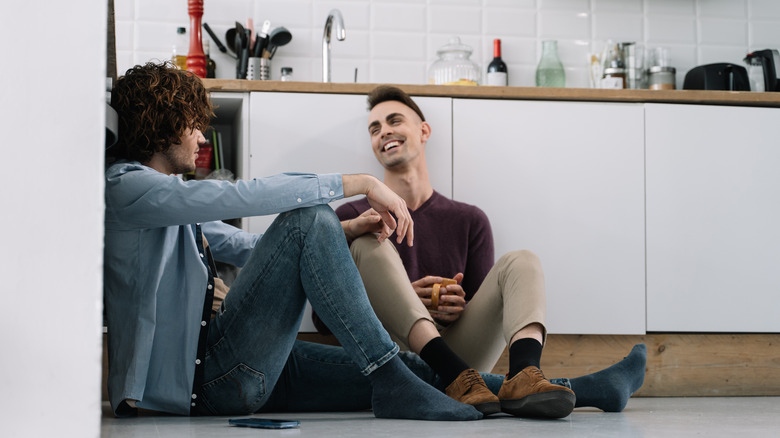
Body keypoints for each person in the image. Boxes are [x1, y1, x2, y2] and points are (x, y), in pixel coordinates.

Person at [103, 62, 483, 421]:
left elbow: (249, 247)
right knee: (310, 216)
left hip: (228, 364)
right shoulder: (128, 188)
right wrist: (362, 183)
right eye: (193, 125)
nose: (202, 137)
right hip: (200, 384)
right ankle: (389, 379)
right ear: (167, 125)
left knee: (415, 369)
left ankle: (521, 390)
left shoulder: (164, 199)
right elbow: (241, 196)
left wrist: (344, 231)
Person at [314, 85, 647, 417]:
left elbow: (481, 312)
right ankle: (598, 387)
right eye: (375, 128)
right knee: (368, 241)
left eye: (394, 120)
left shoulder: (469, 220)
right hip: (387, 355)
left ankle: (525, 375)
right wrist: (402, 298)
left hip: (463, 370)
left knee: (522, 261)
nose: (384, 131)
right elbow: (323, 319)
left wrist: (456, 307)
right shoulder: (351, 218)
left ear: (423, 130)